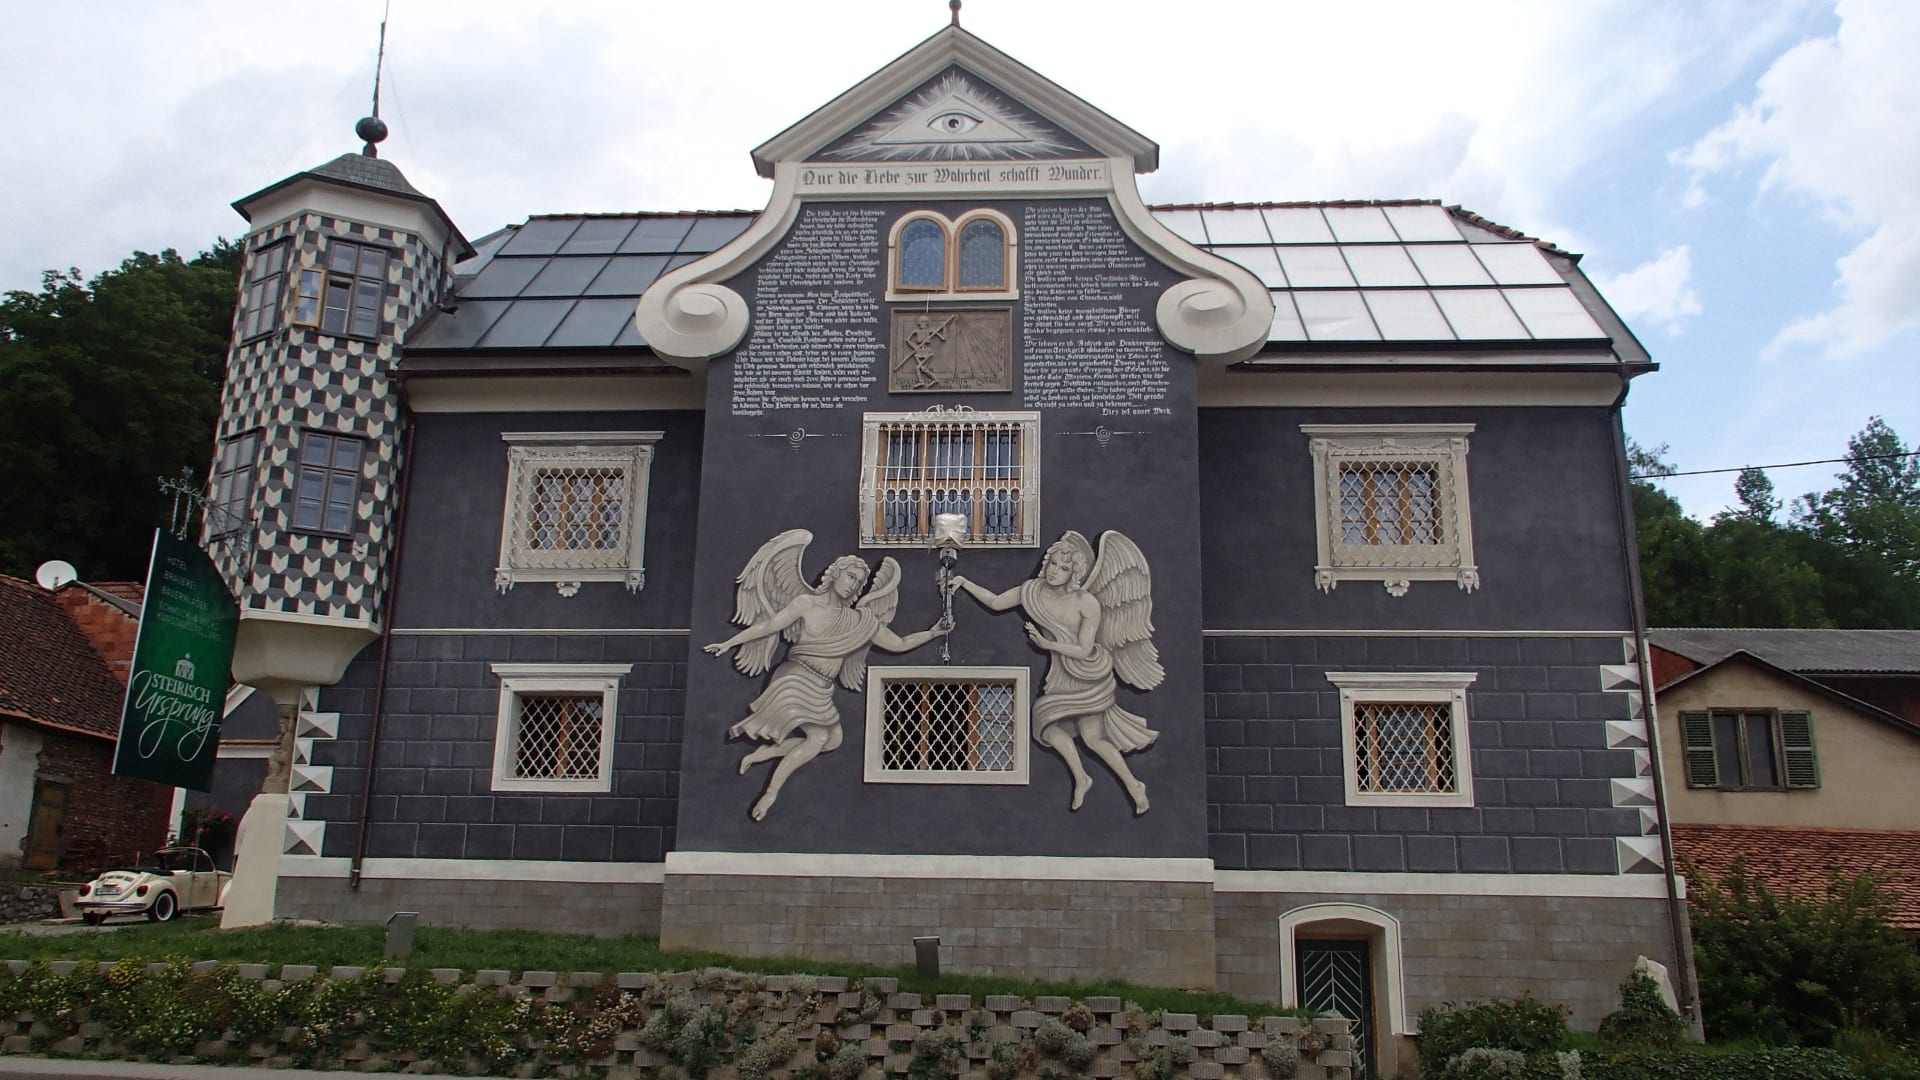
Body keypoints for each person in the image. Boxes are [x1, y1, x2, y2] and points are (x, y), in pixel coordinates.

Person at [707, 532, 947, 820]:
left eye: (859, 582)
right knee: (818, 737)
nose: (853, 584)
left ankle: (766, 753)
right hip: (795, 678)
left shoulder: (859, 621)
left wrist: (933, 633)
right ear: (834, 574)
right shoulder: (806, 603)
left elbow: (899, 643)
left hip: (822, 687)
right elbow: (769, 626)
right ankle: (769, 794)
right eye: (850, 576)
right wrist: (728, 643)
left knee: (833, 741)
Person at [950, 529, 1163, 813]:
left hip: (1088, 672)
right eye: (1053, 564)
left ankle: (1134, 785)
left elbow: (1084, 649)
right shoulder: (1032, 591)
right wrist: (964, 582)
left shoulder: (1086, 602)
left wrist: (1047, 643)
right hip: (1061, 674)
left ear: (1073, 573)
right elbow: (996, 602)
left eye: (1063, 568)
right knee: (1047, 728)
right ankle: (1082, 777)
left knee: (1093, 739)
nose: (1054, 571)